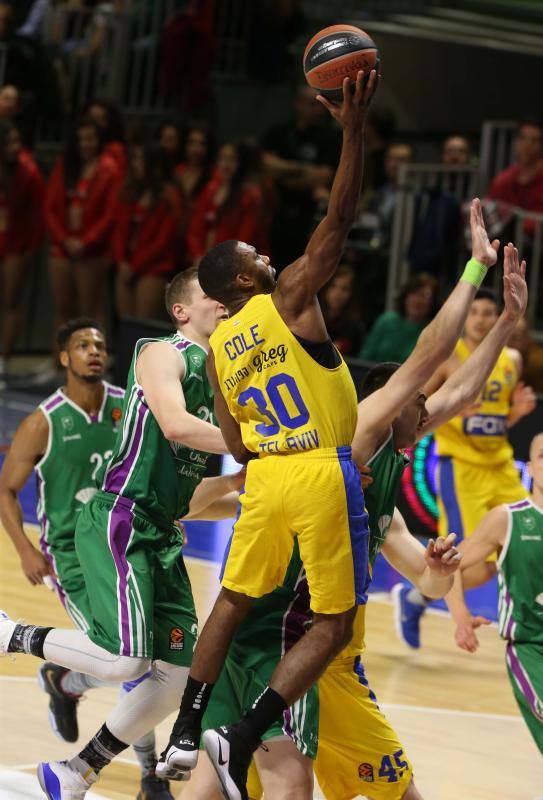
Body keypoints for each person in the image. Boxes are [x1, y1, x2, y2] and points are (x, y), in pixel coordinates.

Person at [183, 205, 529, 800]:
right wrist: (473, 269)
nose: (431, 409)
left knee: (226, 785)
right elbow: (427, 355)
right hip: (288, 649)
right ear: (392, 404)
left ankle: (189, 739)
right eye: (420, 402)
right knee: (283, 787)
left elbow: (462, 393)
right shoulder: (357, 427)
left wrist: (509, 323)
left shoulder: (386, 491)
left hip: (327, 664)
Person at [154, 69, 382, 798]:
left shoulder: (219, 350)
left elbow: (236, 439)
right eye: (254, 252)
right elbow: (339, 221)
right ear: (240, 280)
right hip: (319, 469)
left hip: (269, 478)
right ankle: (244, 733)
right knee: (333, 622)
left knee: (231, 598)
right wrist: (351, 133)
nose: (265, 252)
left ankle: (189, 725)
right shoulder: (286, 297)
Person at [0, 268, 230, 798]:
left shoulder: (216, 381)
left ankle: (74, 771)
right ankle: (13, 635)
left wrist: (261, 484)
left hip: (160, 532)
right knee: (127, 658)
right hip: (117, 525)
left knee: (176, 674)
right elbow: (174, 424)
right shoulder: (161, 353)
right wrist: (255, 445)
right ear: (181, 311)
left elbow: (188, 500)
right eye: (210, 295)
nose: (222, 302)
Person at [0, 317, 173, 799]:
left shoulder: (128, 406)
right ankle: (149, 777)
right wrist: (24, 548)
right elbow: (6, 491)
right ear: (64, 358)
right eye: (81, 345)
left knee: (149, 659)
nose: (93, 351)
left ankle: (65, 678)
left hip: (129, 545)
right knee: (133, 662)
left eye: (99, 343)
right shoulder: (44, 421)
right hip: (73, 560)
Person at [394, 282, 537, 649]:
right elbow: (418, 403)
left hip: (500, 464)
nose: (479, 319)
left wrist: (514, 415)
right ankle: (442, 607)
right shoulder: (450, 357)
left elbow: (493, 421)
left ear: (497, 319)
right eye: (473, 312)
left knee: (499, 559)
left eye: (488, 313)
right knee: (459, 552)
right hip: (461, 468)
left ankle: (416, 598)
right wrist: (451, 403)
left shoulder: (512, 360)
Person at [446, 432, 543, 756]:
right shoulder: (509, 518)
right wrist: (460, 616)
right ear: (529, 467)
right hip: (532, 650)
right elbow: (450, 566)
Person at [44, 115, 121, 340]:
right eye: (81, 139)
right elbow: (49, 207)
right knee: (62, 307)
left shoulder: (109, 169)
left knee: (91, 309)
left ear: (99, 140)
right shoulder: (65, 166)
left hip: (92, 249)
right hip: (62, 244)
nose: (85, 144)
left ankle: (92, 365)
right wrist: (63, 238)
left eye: (90, 139)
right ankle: (57, 364)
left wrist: (86, 241)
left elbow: (110, 213)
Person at [262, 84, 339, 269]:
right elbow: (266, 165)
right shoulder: (279, 132)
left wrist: (284, 172)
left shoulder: (330, 138)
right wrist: (304, 171)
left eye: (321, 106)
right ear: (298, 104)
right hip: (275, 215)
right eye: (313, 105)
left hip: (308, 218)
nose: (318, 111)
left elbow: (323, 177)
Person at [114, 143, 183, 321]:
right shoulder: (131, 192)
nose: (136, 164)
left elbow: (162, 241)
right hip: (127, 264)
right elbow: (119, 230)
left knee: (143, 326)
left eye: (141, 160)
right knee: (126, 326)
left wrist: (135, 266)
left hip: (154, 267)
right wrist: (121, 260)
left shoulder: (169, 197)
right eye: (135, 159)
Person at [0, 119, 45, 377]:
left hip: (16, 245)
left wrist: (31, 248)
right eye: (9, 142)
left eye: (18, 141)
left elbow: (37, 215)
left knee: (11, 302)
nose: (15, 147)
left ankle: (3, 362)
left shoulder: (28, 170)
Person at [186, 139, 267, 264]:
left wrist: (220, 265)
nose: (225, 165)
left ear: (241, 164)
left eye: (232, 160)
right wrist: (197, 256)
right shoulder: (210, 190)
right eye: (222, 159)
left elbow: (244, 239)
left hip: (235, 264)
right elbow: (195, 229)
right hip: (204, 262)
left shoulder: (250, 196)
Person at [359, 272, 438, 363]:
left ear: (432, 302)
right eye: (414, 293)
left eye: (424, 296)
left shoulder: (432, 332)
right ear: (405, 296)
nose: (417, 300)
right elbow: (364, 357)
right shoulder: (386, 320)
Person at [487, 119, 543, 223]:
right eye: (523, 138)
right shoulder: (503, 179)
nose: (527, 145)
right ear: (515, 142)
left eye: (535, 140)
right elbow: (490, 213)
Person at [319, 264, 365, 356]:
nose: (338, 294)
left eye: (344, 289)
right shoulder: (314, 318)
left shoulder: (355, 328)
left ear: (351, 293)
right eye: (333, 286)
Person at [83, 97, 127, 175]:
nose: (94, 124)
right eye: (91, 118)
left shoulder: (115, 152)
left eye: (100, 119)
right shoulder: (78, 150)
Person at [175, 122, 216, 204]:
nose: (195, 149)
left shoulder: (215, 175)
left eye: (202, 144)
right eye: (191, 143)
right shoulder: (177, 171)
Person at [508, 315, 543, 393]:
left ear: (527, 337)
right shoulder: (495, 356)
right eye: (508, 336)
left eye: (517, 337)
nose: (511, 342)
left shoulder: (538, 360)